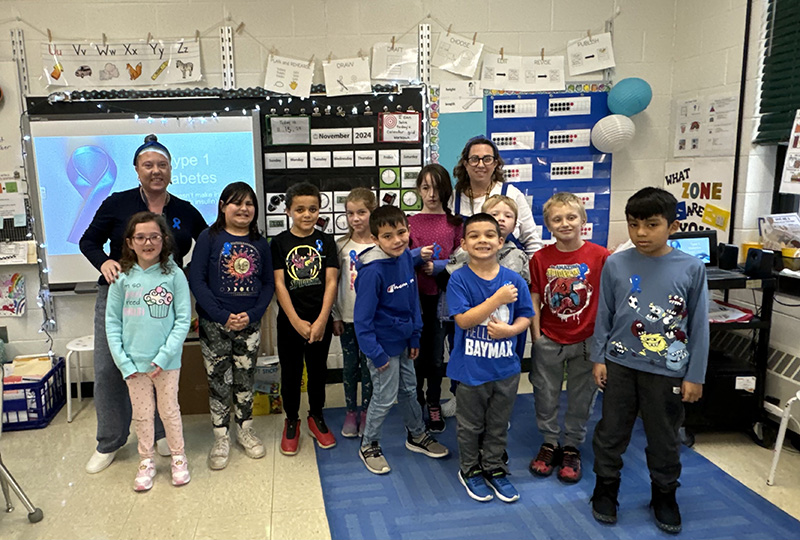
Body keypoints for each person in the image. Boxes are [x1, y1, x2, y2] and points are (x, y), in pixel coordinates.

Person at [80, 134, 206, 474]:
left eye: (162, 165)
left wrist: (187, 274)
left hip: (163, 297)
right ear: (136, 169)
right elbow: (88, 241)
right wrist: (103, 262)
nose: (155, 171)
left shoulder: (182, 209)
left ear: (170, 170)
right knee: (110, 368)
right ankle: (109, 442)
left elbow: (206, 241)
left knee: (160, 368)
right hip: (119, 294)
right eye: (148, 165)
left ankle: (162, 436)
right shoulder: (116, 203)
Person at [590, 187, 708, 534]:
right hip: (620, 365)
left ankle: (665, 495)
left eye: (652, 225)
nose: (641, 233)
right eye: (633, 224)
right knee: (611, 432)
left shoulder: (690, 267)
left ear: (672, 226)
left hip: (667, 371)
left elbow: (699, 324)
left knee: (664, 437)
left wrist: (695, 375)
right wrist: (599, 357)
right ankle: (606, 489)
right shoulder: (615, 263)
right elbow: (605, 315)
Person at [354, 205, 449, 475]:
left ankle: (417, 435)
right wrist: (376, 354)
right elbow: (362, 321)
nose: (396, 240)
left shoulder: (405, 258)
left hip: (406, 343)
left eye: (401, 232)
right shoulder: (372, 271)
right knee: (384, 398)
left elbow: (411, 303)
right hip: (382, 349)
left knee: (409, 391)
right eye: (387, 236)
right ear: (375, 239)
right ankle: (369, 444)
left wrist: (415, 337)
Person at [447, 213, 533, 503]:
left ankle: (494, 466)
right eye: (474, 235)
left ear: (501, 240)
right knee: (470, 424)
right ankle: (470, 468)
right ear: (463, 244)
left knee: (498, 422)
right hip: (471, 370)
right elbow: (463, 321)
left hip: (505, 368)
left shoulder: (514, 281)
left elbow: (526, 317)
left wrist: (511, 330)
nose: (482, 240)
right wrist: (496, 300)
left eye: (488, 235)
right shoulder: (459, 279)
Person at [189, 182, 274, 470]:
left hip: (249, 323)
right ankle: (221, 436)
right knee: (219, 381)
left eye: (250, 203)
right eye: (237, 203)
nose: (244, 208)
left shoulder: (260, 242)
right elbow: (197, 280)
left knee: (245, 378)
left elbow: (267, 283)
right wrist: (221, 315)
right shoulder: (208, 237)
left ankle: (245, 430)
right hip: (215, 324)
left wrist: (252, 314)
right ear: (223, 206)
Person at [105, 212, 191, 491]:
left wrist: (164, 355)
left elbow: (182, 319)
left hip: (166, 362)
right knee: (142, 414)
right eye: (140, 237)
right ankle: (146, 460)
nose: (148, 242)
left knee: (169, 410)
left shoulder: (174, 274)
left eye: (154, 236)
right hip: (133, 364)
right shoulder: (121, 277)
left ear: (164, 239)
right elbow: (112, 322)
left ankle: (178, 457)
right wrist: (123, 363)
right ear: (130, 242)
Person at [528, 192, 609, 484]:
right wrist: (536, 336)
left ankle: (572, 445)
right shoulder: (540, 258)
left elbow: (609, 299)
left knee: (581, 395)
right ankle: (550, 441)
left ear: (583, 220)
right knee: (545, 393)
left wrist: (603, 340)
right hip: (550, 338)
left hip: (587, 339)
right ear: (548, 225)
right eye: (557, 219)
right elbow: (535, 296)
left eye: (571, 217)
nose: (565, 223)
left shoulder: (601, 256)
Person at [438, 194, 530, 419]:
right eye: (494, 215)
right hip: (473, 342)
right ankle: (459, 397)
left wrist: (511, 330)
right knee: (471, 408)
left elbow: (525, 310)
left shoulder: (518, 258)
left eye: (507, 215)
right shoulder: (462, 272)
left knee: (498, 407)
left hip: (504, 341)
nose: (500, 219)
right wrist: (496, 299)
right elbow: (460, 311)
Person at [272, 182, 339, 455]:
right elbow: (279, 284)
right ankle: (292, 419)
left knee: (317, 371)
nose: (307, 214)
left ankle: (316, 416)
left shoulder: (326, 241)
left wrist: (322, 319)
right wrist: (296, 321)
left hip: (319, 319)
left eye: (312, 209)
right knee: (290, 373)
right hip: (291, 321)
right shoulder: (278, 242)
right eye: (300, 209)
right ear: (288, 211)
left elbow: (332, 281)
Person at [407, 164, 462, 432]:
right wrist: (416, 257)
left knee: (437, 357)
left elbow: (464, 259)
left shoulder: (455, 223)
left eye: (437, 187)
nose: (431, 194)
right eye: (426, 187)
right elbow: (398, 255)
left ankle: (433, 401)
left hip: (442, 300)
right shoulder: (410, 222)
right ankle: (416, 401)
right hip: (414, 300)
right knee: (416, 354)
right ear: (418, 189)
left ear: (446, 190)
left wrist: (440, 266)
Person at [448, 136, 542, 255]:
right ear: (465, 164)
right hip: (465, 271)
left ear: (495, 164)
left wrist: (527, 272)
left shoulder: (512, 194)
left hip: (509, 270)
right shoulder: (453, 198)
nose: (480, 165)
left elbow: (532, 242)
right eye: (474, 159)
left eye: (487, 159)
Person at [332, 188, 377, 438]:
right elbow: (334, 284)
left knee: (369, 367)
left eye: (361, 212)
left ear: (373, 211)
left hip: (372, 321)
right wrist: (335, 315)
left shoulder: (381, 244)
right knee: (350, 366)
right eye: (350, 213)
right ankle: (351, 411)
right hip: (347, 318)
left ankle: (368, 411)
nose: (355, 219)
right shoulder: (341, 246)